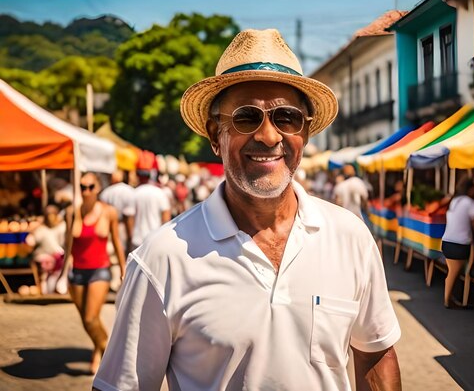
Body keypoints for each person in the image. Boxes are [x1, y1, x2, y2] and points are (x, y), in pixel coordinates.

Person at [94, 29, 401, 391]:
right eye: (246, 118)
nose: (269, 136)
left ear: (304, 133)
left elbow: (375, 352)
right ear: (214, 135)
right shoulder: (162, 258)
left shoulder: (350, 237)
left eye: (286, 118)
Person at [60, 172, 126, 374]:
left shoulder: (109, 212)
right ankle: (98, 349)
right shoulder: (72, 212)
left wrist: (124, 269)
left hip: (100, 270)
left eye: (90, 187)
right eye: (82, 187)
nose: (86, 191)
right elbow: (68, 244)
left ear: (98, 188)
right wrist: (62, 273)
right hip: (77, 272)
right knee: (87, 321)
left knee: (90, 318)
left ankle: (106, 350)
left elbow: (116, 242)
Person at [441, 179, 474, 309]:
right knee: (454, 273)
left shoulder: (455, 201)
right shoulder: (470, 203)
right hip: (459, 244)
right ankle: (448, 301)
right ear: (470, 189)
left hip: (447, 242)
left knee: (452, 273)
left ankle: (452, 299)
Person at [26, 204, 66, 294]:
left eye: (52, 215)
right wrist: (33, 229)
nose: (50, 218)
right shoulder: (41, 229)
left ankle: (59, 288)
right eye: (48, 216)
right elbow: (30, 241)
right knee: (45, 267)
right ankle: (45, 290)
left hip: (60, 258)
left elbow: (65, 243)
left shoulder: (62, 226)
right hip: (44, 257)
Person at [130, 169, 171, 250]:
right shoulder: (160, 193)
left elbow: (130, 218)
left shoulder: (135, 192)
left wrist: (130, 237)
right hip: (155, 239)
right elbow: (166, 218)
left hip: (137, 239)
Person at [99, 169, 136, 255]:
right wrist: (130, 238)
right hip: (122, 228)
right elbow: (129, 218)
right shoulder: (129, 191)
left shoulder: (106, 192)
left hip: (108, 228)